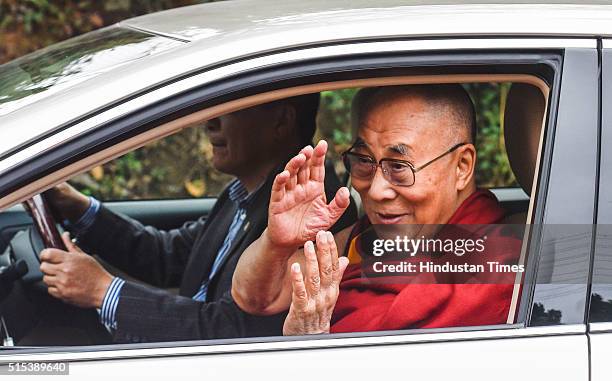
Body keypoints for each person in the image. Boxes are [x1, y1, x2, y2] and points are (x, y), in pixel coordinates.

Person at [38, 94, 357, 343]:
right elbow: (167, 255)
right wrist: (74, 205)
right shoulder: (247, 191)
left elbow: (235, 333)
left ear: (281, 122)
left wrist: (103, 290)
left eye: (232, 108)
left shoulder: (312, 209)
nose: (211, 123)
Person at [231, 84, 522, 335]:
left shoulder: (497, 269)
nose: (377, 190)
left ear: (462, 167)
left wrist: (313, 349)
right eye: (365, 161)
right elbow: (256, 298)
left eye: (399, 167)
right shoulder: (369, 239)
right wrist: (277, 242)